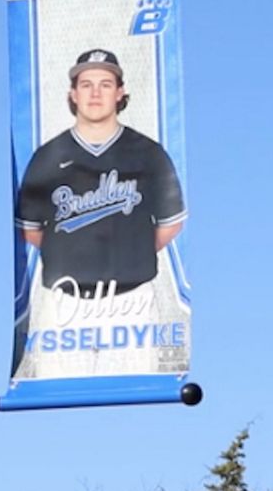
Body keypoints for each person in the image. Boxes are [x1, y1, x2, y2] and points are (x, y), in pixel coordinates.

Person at [14, 49, 186, 376]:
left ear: (120, 93)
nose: (95, 93)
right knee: (56, 396)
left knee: (138, 394)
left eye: (105, 84)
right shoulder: (48, 157)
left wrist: (130, 249)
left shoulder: (148, 153)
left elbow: (170, 224)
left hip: (131, 301)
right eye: (87, 84)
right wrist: (71, 252)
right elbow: (31, 229)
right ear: (72, 94)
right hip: (65, 301)